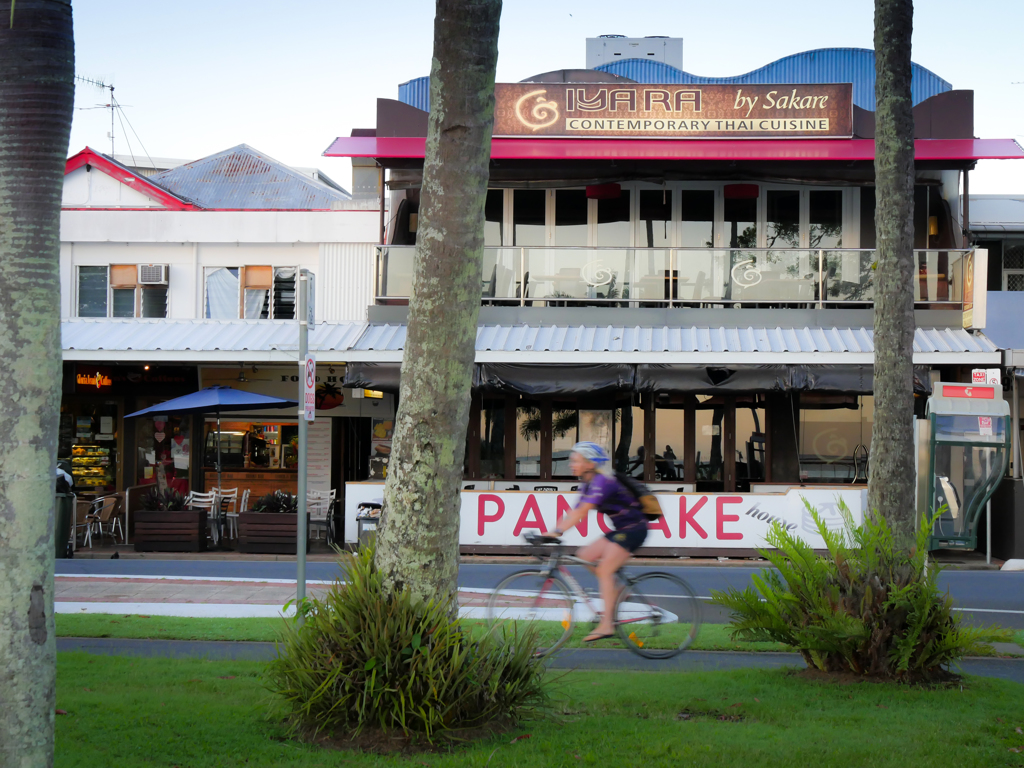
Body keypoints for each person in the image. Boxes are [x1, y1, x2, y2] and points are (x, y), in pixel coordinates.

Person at [543, 441, 648, 642]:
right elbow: (574, 512)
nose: (571, 464)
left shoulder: (603, 481)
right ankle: (617, 591)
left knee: (605, 570)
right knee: (585, 555)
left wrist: (557, 532)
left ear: (590, 464)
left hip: (635, 529)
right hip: (621, 529)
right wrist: (550, 532)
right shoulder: (588, 483)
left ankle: (607, 625)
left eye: (576, 460)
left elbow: (583, 511)